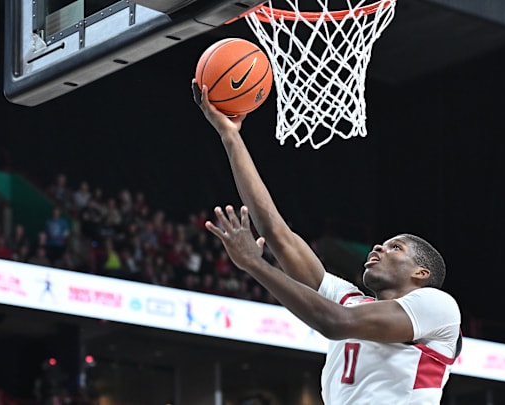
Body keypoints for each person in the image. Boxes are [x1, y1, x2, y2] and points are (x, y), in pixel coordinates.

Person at [192, 80, 462, 404]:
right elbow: (276, 232)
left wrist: (254, 264)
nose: (378, 248)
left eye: (395, 247)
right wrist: (230, 136)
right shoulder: (349, 300)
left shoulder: (437, 306)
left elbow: (336, 324)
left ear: (420, 274)